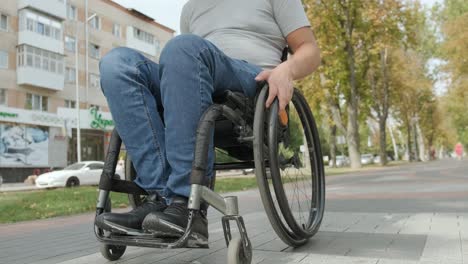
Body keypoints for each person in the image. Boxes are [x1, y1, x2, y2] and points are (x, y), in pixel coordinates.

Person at [95, 0, 321, 242]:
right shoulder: (191, 8)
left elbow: (310, 50)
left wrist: (286, 70)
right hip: (196, 77)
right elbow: (178, 68)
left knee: (181, 48)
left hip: (251, 81)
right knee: (117, 64)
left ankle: (185, 201)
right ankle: (164, 199)